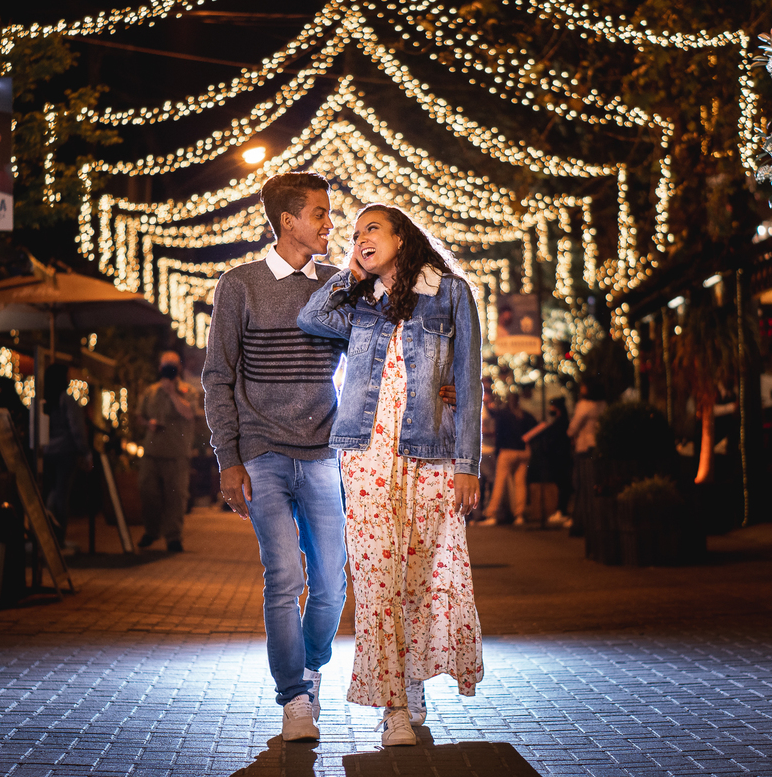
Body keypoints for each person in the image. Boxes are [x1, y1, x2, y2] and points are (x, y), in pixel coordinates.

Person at [298, 202, 484, 747]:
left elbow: (468, 383)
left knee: (420, 576)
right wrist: (351, 275)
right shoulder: (359, 302)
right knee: (378, 580)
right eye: (354, 235)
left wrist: (468, 464)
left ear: (402, 236)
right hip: (365, 453)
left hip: (430, 454)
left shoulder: (451, 293)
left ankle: (411, 676)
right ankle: (395, 708)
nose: (359, 238)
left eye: (371, 230)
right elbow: (312, 317)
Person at [201, 171, 348, 743]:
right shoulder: (240, 286)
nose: (329, 224)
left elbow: (377, 351)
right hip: (261, 453)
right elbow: (218, 377)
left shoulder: (337, 285)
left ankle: (311, 668)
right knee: (283, 577)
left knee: (332, 585)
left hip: (323, 453)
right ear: (288, 222)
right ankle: (294, 699)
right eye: (319, 214)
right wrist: (228, 459)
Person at [136, 351, 198, 552]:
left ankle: (173, 537)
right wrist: (148, 423)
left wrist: (173, 393)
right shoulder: (151, 391)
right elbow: (139, 416)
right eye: (165, 365)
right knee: (147, 493)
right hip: (152, 452)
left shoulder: (188, 390)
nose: (169, 369)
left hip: (177, 454)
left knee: (176, 498)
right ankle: (151, 531)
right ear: (160, 368)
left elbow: (189, 413)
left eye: (172, 365)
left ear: (178, 368)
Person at [43, 364, 92, 545]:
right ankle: (59, 536)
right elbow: (76, 427)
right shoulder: (67, 399)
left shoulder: (44, 399)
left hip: (47, 452)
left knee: (51, 493)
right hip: (65, 453)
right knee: (62, 495)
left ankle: (48, 532)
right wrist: (85, 451)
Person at [480, 390, 537, 525]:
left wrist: (488, 402)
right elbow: (536, 427)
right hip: (523, 452)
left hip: (507, 452)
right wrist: (526, 440)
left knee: (499, 483)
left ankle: (492, 513)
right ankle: (519, 515)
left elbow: (498, 429)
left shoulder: (504, 414)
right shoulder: (525, 415)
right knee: (520, 483)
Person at [522, 396, 572, 526]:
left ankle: (562, 512)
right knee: (562, 484)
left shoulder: (561, 422)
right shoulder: (559, 421)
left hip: (560, 457)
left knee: (563, 484)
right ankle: (561, 511)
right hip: (560, 457)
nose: (550, 409)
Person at [567, 381, 606, 535]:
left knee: (581, 484)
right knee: (593, 484)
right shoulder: (603, 405)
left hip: (583, 446)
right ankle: (593, 520)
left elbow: (573, 428)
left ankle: (579, 523)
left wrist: (571, 433)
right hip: (597, 445)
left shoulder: (584, 405)